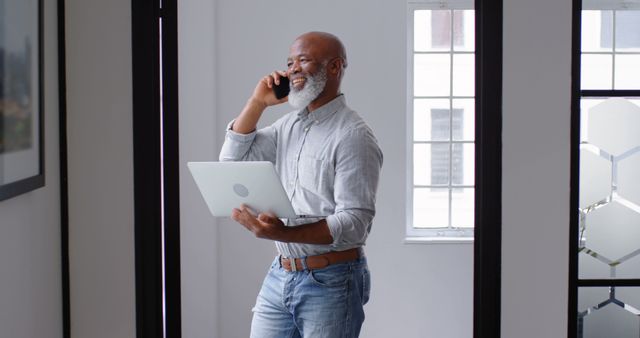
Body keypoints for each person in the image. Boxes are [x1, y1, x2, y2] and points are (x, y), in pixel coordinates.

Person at [219, 31, 383, 338]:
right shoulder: (288, 126)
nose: (292, 69)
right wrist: (257, 102)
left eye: (303, 60)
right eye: (289, 62)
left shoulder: (353, 136)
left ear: (334, 68)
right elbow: (232, 162)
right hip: (281, 274)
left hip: (332, 281)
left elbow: (355, 223)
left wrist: (282, 232)